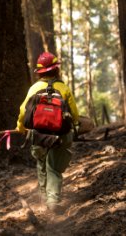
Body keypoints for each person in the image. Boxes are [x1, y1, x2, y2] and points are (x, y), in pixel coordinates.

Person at [16, 52, 79, 213]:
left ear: (40, 72)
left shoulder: (34, 88)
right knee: (54, 168)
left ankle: (44, 196)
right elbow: (74, 113)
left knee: (41, 164)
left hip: (38, 135)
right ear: (56, 70)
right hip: (60, 136)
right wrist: (76, 125)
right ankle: (53, 201)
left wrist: (20, 127)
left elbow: (23, 111)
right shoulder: (63, 88)